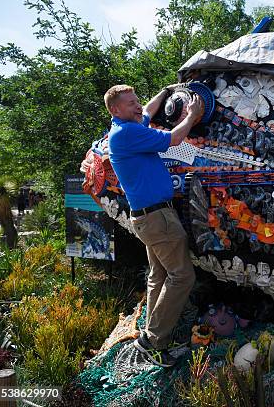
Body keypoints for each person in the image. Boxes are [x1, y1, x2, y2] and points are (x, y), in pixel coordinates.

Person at [105, 84, 204, 367]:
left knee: (158, 276)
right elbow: (174, 139)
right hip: (158, 218)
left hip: (149, 217)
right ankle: (154, 341)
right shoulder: (128, 133)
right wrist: (192, 115)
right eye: (130, 103)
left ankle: (152, 334)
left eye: (136, 100)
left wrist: (165, 91)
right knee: (182, 276)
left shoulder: (127, 128)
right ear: (115, 110)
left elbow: (148, 112)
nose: (137, 106)